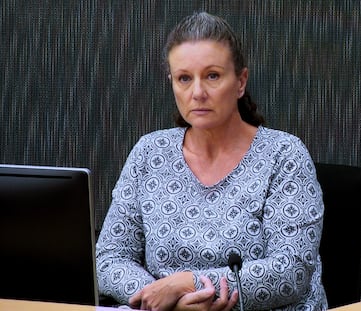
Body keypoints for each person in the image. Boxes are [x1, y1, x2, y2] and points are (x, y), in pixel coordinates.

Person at [96, 11, 328, 311]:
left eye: (213, 75)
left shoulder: (284, 155)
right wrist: (165, 300)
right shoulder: (149, 152)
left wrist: (186, 284)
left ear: (240, 81)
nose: (197, 93)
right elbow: (110, 257)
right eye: (184, 78)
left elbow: (290, 272)